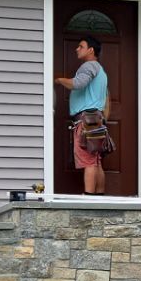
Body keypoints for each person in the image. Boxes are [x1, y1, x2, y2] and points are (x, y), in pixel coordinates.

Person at [54, 34, 109, 195]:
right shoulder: (101, 71)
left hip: (86, 120)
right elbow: (106, 98)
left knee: (89, 161)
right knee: (96, 161)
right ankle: (99, 198)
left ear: (91, 50)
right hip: (96, 119)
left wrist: (58, 80)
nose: (77, 49)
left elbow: (78, 84)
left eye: (81, 46)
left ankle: (90, 199)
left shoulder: (89, 66)